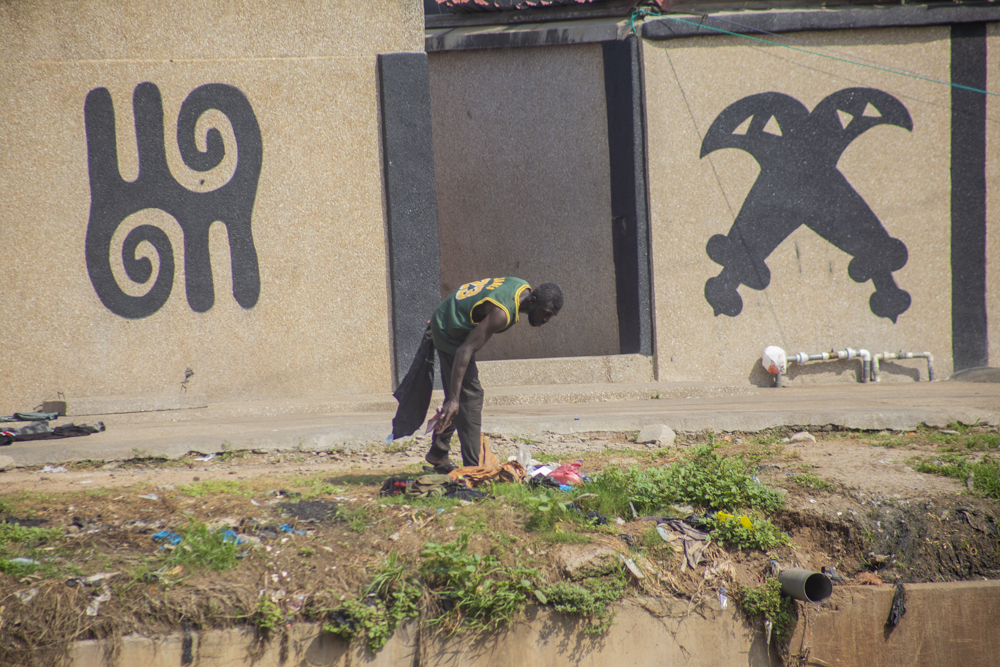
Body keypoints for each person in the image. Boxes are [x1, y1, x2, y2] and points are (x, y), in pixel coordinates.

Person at [390, 278, 563, 470]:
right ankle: (473, 468)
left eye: (550, 317)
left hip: (451, 318)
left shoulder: (521, 286)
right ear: (533, 301)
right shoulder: (502, 314)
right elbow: (464, 351)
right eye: (545, 313)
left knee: (461, 396)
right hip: (448, 332)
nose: (545, 320)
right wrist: (453, 399)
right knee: (470, 398)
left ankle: (438, 452)